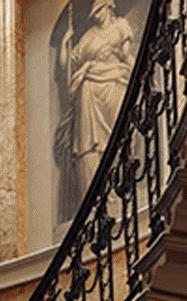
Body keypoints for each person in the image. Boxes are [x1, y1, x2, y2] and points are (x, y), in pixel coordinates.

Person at [59, 0, 134, 194]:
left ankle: (119, 192)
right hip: (89, 90)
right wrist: (65, 44)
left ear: (109, 7)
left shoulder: (121, 26)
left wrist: (138, 78)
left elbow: (127, 57)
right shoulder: (87, 37)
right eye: (94, 12)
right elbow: (67, 65)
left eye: (99, 10)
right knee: (88, 146)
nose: (96, 15)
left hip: (114, 83)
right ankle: (94, 195)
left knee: (118, 136)